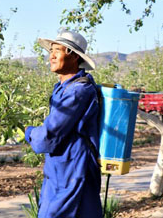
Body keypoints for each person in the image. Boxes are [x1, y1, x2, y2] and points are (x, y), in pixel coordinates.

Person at [25, 30, 102, 218]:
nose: (51, 56)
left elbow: (47, 138)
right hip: (60, 171)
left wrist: (28, 132)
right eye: (51, 51)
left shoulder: (78, 91)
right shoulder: (63, 88)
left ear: (74, 56)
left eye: (57, 51)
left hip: (73, 172)